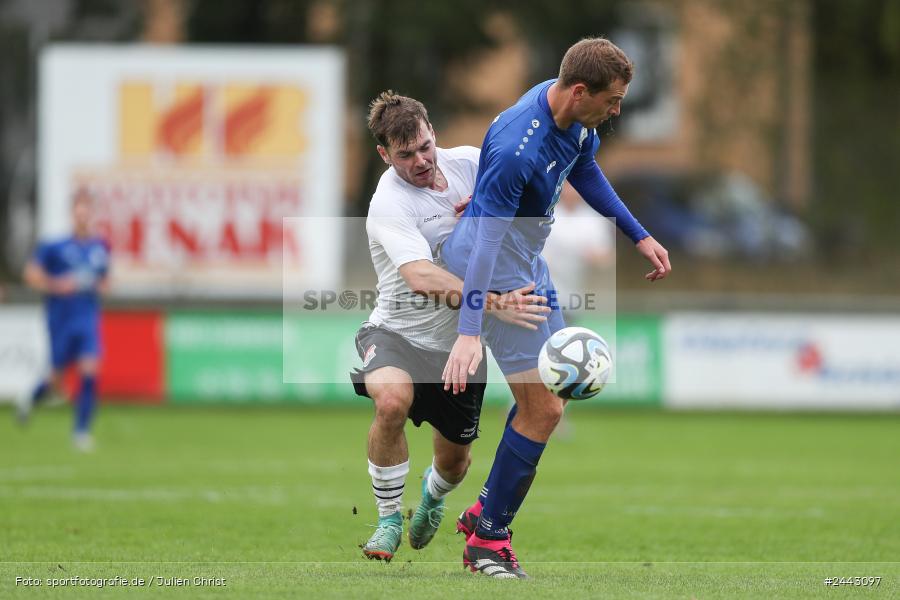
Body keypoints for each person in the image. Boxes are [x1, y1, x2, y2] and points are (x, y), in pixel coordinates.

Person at [439, 37, 672, 579]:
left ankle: (485, 509)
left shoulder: (573, 118)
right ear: (580, 91)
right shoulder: (518, 147)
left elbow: (584, 169)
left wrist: (637, 235)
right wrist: (471, 328)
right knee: (545, 408)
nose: (617, 112)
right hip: (494, 269)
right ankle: (487, 542)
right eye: (612, 101)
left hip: (526, 261)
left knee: (552, 399)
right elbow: (486, 243)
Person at [350, 92, 550, 562]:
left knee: (455, 464)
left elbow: (523, 201)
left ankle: (434, 498)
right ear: (384, 154)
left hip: (458, 346)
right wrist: (494, 302)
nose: (420, 161)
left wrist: (487, 209)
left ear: (432, 130)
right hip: (396, 332)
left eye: (424, 146)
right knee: (392, 399)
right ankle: (387, 519)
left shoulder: (470, 164)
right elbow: (419, 276)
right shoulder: (389, 202)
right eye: (405, 155)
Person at [18, 188, 110, 452]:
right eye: (79, 211)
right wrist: (58, 284)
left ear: (91, 214)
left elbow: (105, 280)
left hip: (87, 318)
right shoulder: (54, 246)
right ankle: (31, 397)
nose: (83, 216)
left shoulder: (99, 247)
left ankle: (81, 432)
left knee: (90, 371)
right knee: (57, 381)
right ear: (73, 214)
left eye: (87, 211)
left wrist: (99, 286)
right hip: (59, 318)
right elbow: (31, 275)